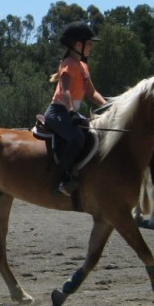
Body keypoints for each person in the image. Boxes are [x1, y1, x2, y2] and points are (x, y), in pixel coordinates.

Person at [43, 21, 108, 197]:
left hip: (71, 111)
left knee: (92, 135)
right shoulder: (69, 63)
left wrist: (110, 107)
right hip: (58, 111)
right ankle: (60, 178)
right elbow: (64, 90)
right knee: (77, 138)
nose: (92, 47)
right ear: (78, 44)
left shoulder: (83, 66)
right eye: (90, 44)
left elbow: (92, 93)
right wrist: (71, 112)